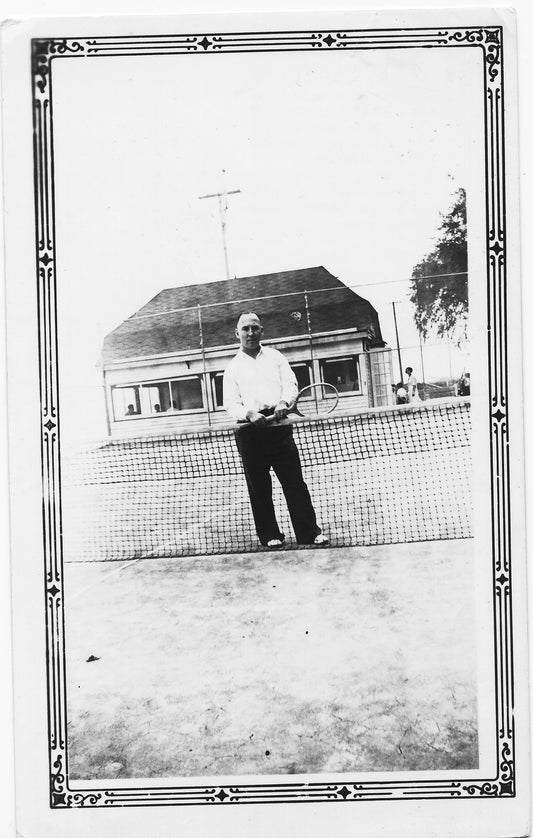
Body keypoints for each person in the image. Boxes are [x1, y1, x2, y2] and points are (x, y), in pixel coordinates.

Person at [223, 312, 328, 549]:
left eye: (255, 328)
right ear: (237, 333)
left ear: (262, 331)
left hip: (279, 427)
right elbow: (230, 403)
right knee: (259, 488)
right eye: (245, 329)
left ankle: (309, 533)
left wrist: (283, 403)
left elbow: (290, 384)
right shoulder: (232, 368)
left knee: (294, 483)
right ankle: (270, 535)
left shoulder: (276, 357)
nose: (250, 333)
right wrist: (249, 414)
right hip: (250, 431)